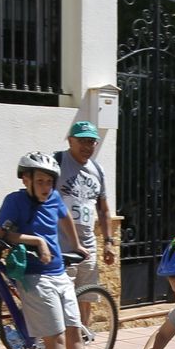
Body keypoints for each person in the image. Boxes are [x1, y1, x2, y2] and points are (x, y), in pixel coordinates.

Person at [0, 151, 111, 349]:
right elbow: (2, 232)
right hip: (34, 277)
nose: (46, 187)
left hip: (59, 273)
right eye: (40, 181)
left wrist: (77, 243)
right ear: (26, 180)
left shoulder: (55, 198)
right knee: (55, 338)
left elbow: (65, 216)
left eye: (49, 181)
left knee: (74, 334)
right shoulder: (14, 201)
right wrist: (37, 241)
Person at [54, 120, 116, 330]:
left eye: (91, 141)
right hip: (61, 243)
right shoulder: (57, 162)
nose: (87, 146)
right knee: (63, 296)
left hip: (88, 244)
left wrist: (108, 242)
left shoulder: (97, 170)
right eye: (82, 141)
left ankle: (82, 339)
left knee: (86, 296)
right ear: (70, 141)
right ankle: (62, 341)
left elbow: (103, 209)